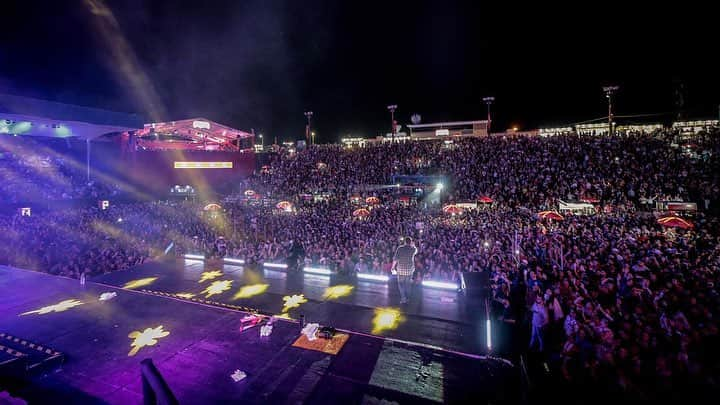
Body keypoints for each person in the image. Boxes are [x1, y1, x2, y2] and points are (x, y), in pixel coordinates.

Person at [392, 237, 417, 304]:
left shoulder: (400, 248)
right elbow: (416, 251)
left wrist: (392, 268)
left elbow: (395, 259)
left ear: (405, 242)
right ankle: (408, 299)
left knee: (401, 285)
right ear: (410, 242)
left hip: (401, 270)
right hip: (409, 270)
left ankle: (403, 299)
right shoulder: (413, 249)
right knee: (408, 285)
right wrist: (413, 244)